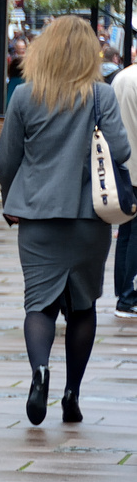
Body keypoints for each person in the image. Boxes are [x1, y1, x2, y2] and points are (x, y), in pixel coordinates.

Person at [0, 15, 136, 425]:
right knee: (83, 306)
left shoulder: (24, 96)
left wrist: (14, 201)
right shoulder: (100, 96)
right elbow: (122, 150)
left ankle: (40, 371)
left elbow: (7, 160)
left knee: (38, 305)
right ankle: (72, 394)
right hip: (89, 218)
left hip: (38, 218)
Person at [110, 60, 137, 318]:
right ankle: (128, 297)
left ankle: (123, 293)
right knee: (134, 235)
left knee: (127, 232)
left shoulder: (121, 77)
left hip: (122, 167)